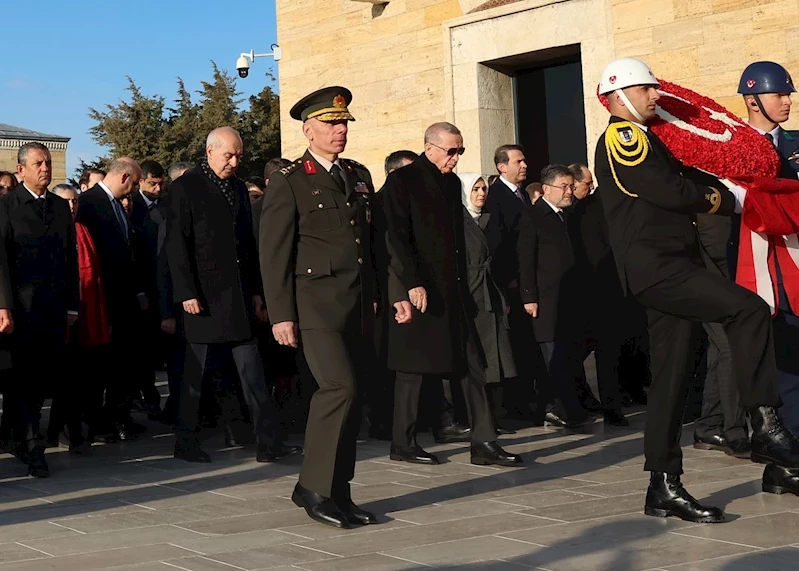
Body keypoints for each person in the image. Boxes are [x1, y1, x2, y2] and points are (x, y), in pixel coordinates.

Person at [595, 57, 799, 523]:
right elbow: (667, 189)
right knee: (748, 309)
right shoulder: (622, 136)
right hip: (659, 268)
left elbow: (679, 180)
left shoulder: (650, 138)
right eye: (645, 90)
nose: (655, 96)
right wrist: (730, 198)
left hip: (670, 265)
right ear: (618, 97)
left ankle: (662, 485)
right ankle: (763, 420)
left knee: (671, 377)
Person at [261, 87, 378, 529]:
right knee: (338, 389)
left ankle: (338, 491)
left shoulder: (357, 174)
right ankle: (311, 486)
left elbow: (367, 243)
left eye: (344, 122)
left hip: (356, 304)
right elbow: (274, 253)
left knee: (354, 398)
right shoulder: (290, 179)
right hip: (315, 308)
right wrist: (281, 314)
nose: (340, 130)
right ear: (308, 129)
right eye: (331, 124)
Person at [166, 126, 301, 465]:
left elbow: (248, 244)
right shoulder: (185, 187)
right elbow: (176, 245)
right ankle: (186, 441)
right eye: (228, 155)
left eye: (238, 155)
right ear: (210, 152)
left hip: (237, 296)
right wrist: (185, 292)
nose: (234, 161)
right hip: (202, 298)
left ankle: (268, 442)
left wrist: (257, 292)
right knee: (193, 377)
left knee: (252, 372)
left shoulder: (239, 189)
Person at [382, 122, 492, 466]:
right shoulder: (403, 180)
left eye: (460, 151)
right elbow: (395, 236)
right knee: (412, 369)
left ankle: (485, 443)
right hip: (421, 290)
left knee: (473, 364)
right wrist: (412, 282)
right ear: (429, 147)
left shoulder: (450, 182)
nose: (456, 158)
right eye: (451, 151)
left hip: (453, 290)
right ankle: (403, 442)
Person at [0, 143, 78, 477]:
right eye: (38, 163)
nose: (45, 168)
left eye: (47, 162)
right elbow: (1, 260)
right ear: (21, 170)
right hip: (20, 307)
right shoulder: (7, 206)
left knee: (43, 378)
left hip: (53, 307)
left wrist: (73, 305)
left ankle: (17, 437)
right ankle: (32, 447)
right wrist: (3, 305)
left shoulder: (60, 207)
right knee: (22, 379)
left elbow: (69, 258)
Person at [77, 158, 146, 442]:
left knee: (123, 363)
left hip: (124, 298)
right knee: (100, 366)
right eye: (134, 183)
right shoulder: (89, 203)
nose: (134, 190)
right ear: (124, 177)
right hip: (102, 299)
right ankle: (97, 421)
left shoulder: (119, 204)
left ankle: (120, 415)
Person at [456, 172, 521, 465]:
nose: (481, 193)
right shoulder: (458, 221)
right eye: (475, 188)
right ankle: (482, 438)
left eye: (484, 188)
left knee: (494, 366)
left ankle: (487, 433)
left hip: (490, 298)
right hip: (470, 301)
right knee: (478, 369)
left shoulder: (490, 218)